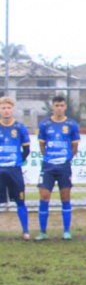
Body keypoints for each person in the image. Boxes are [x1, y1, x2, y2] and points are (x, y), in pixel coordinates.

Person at [35, 95, 80, 241]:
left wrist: (65, 160)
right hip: (48, 166)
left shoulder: (71, 124)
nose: (59, 108)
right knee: (44, 196)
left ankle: (66, 231)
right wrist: (50, 159)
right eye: (56, 105)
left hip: (64, 167)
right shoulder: (45, 124)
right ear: (52, 107)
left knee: (65, 197)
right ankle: (42, 231)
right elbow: (42, 146)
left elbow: (74, 147)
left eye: (62, 105)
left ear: (65, 107)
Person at [0, 97, 31, 240]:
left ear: (13, 110)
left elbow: (26, 150)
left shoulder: (19, 127)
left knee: (20, 201)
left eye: (8, 108)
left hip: (14, 170)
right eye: (3, 108)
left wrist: (18, 161)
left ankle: (25, 231)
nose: (6, 111)